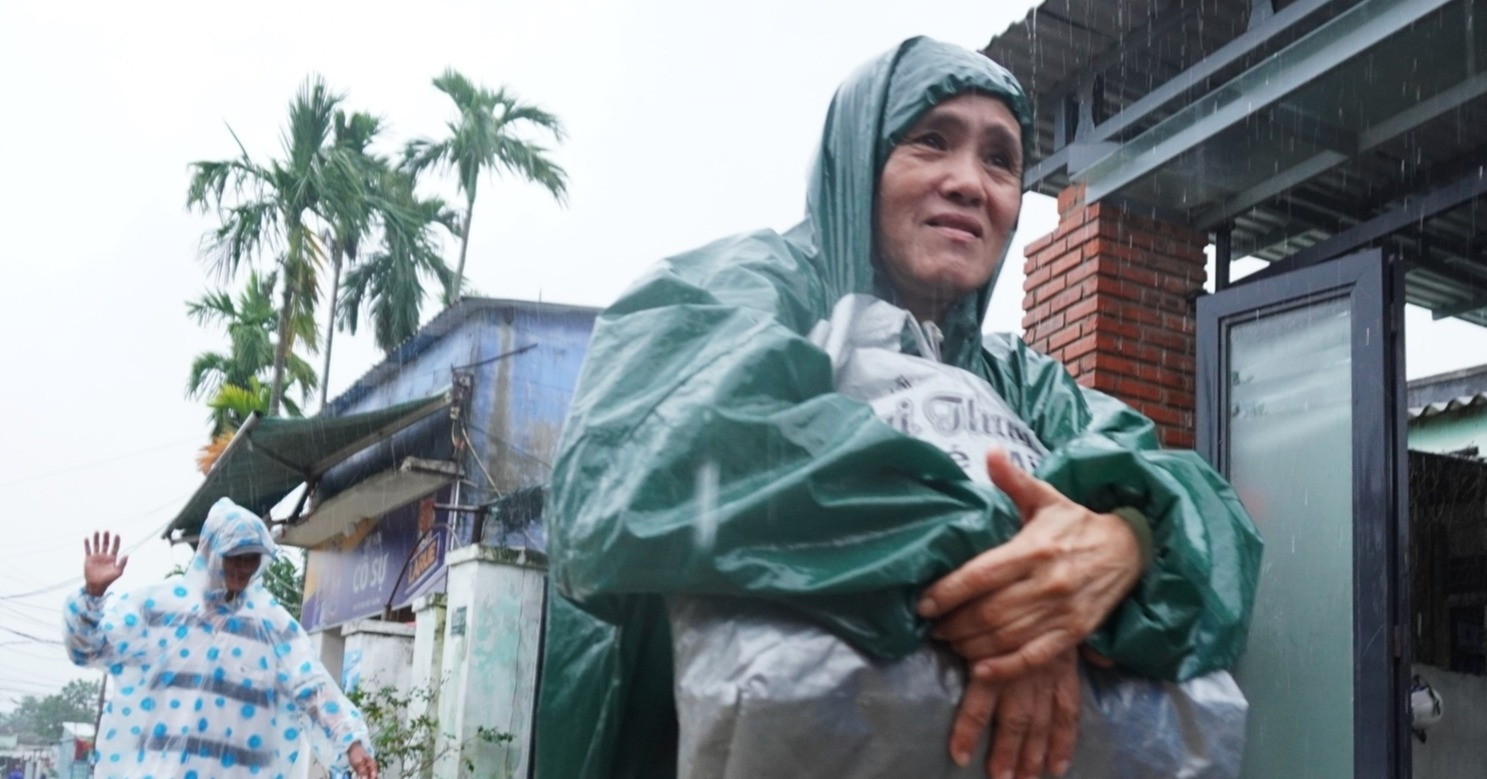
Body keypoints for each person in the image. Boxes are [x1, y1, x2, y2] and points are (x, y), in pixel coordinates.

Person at [535, 36, 1262, 779]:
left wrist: (1125, 546)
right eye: (930, 141)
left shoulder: (1024, 384)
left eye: (1000, 159)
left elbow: (1204, 515)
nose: (968, 182)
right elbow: (657, 461)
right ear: (861, 162)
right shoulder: (752, 293)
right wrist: (1019, 579)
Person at [63, 498, 379, 779]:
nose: (242, 567)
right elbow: (87, 649)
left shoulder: (272, 627)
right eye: (234, 555)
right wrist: (92, 595)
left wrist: (352, 744)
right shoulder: (160, 612)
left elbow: (313, 688)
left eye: (251, 557)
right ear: (211, 551)